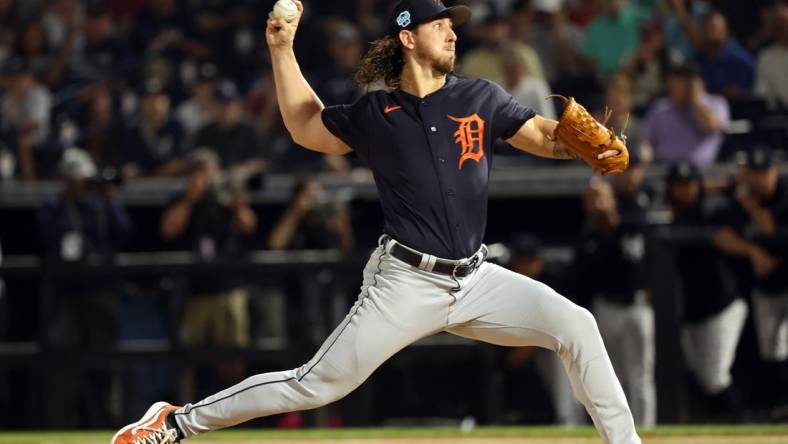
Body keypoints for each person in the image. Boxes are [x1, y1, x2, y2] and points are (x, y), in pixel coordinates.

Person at [112, 1, 639, 443]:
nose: (453, 31)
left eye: (453, 23)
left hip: (476, 277)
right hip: (405, 282)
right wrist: (281, 50)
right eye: (440, 24)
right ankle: (176, 422)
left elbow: (543, 134)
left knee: (577, 326)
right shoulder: (377, 114)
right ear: (408, 38)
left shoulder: (481, 96)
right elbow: (304, 126)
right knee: (315, 385)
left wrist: (582, 145)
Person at [159, 148, 258, 400]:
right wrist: (190, 199)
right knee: (188, 358)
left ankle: (235, 411)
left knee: (234, 355)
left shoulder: (225, 197)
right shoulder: (182, 199)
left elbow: (249, 226)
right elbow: (168, 230)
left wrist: (237, 203)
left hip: (229, 286)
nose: (207, 178)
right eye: (200, 172)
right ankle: (181, 412)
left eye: (210, 172)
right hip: (195, 290)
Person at [664, 161, 747, 415]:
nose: (684, 191)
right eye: (678, 185)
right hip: (692, 313)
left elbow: (731, 210)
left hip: (722, 307)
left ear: (698, 185)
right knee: (697, 378)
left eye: (689, 185)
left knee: (715, 378)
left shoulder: (711, 209)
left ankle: (742, 424)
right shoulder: (669, 216)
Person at [574, 179, 656, 427]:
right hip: (606, 307)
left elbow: (643, 263)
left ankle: (647, 431)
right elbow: (583, 277)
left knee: (640, 376)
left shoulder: (631, 225)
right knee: (612, 376)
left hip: (636, 306)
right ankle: (620, 433)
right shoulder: (587, 236)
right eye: (592, 198)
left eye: (602, 197)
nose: (598, 203)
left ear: (612, 199)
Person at [714, 147, 788, 414]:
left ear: (774, 171)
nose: (759, 179)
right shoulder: (739, 198)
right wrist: (753, 250)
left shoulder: (782, 193)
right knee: (771, 348)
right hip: (765, 286)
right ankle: (778, 407)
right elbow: (721, 236)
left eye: (763, 172)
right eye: (753, 173)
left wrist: (750, 203)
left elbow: (767, 227)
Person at [641, 63, 728, 166]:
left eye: (678, 85)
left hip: (702, 171)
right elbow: (646, 142)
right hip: (664, 170)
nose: (673, 90)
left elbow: (711, 127)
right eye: (671, 85)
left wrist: (695, 101)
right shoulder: (660, 108)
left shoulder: (717, 103)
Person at [754, 5, 788, 108]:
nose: (785, 30)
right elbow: (762, 93)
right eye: (780, 26)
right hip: (780, 116)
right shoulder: (766, 57)